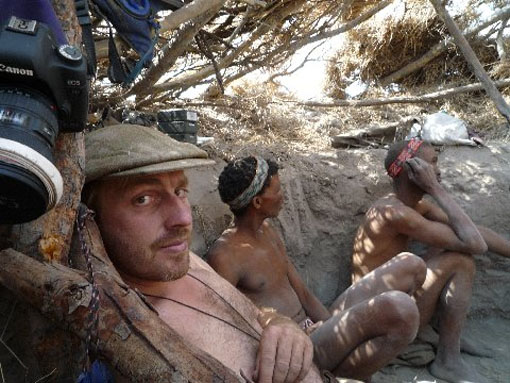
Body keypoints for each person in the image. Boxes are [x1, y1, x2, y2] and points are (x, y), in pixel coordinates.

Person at [84, 124, 394, 383]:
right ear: (89, 219)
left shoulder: (185, 262)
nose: (182, 218)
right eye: (143, 199)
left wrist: (279, 325)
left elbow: (249, 309)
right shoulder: (133, 337)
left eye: (180, 191)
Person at [207, 156, 425, 382]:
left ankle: (340, 366)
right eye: (278, 190)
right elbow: (228, 323)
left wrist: (332, 326)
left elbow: (302, 292)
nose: (283, 196)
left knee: (411, 264)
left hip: (316, 332)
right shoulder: (225, 256)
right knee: (402, 309)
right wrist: (293, 336)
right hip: (294, 351)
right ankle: (331, 377)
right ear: (258, 202)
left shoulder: (268, 231)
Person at [351, 139, 510, 383]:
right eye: (432, 163)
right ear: (412, 169)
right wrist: (437, 189)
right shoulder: (394, 213)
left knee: (445, 242)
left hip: (394, 300)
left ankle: (448, 337)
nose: (438, 170)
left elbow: (473, 232)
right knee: (460, 261)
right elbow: (476, 245)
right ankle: (448, 359)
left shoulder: (415, 207)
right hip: (379, 318)